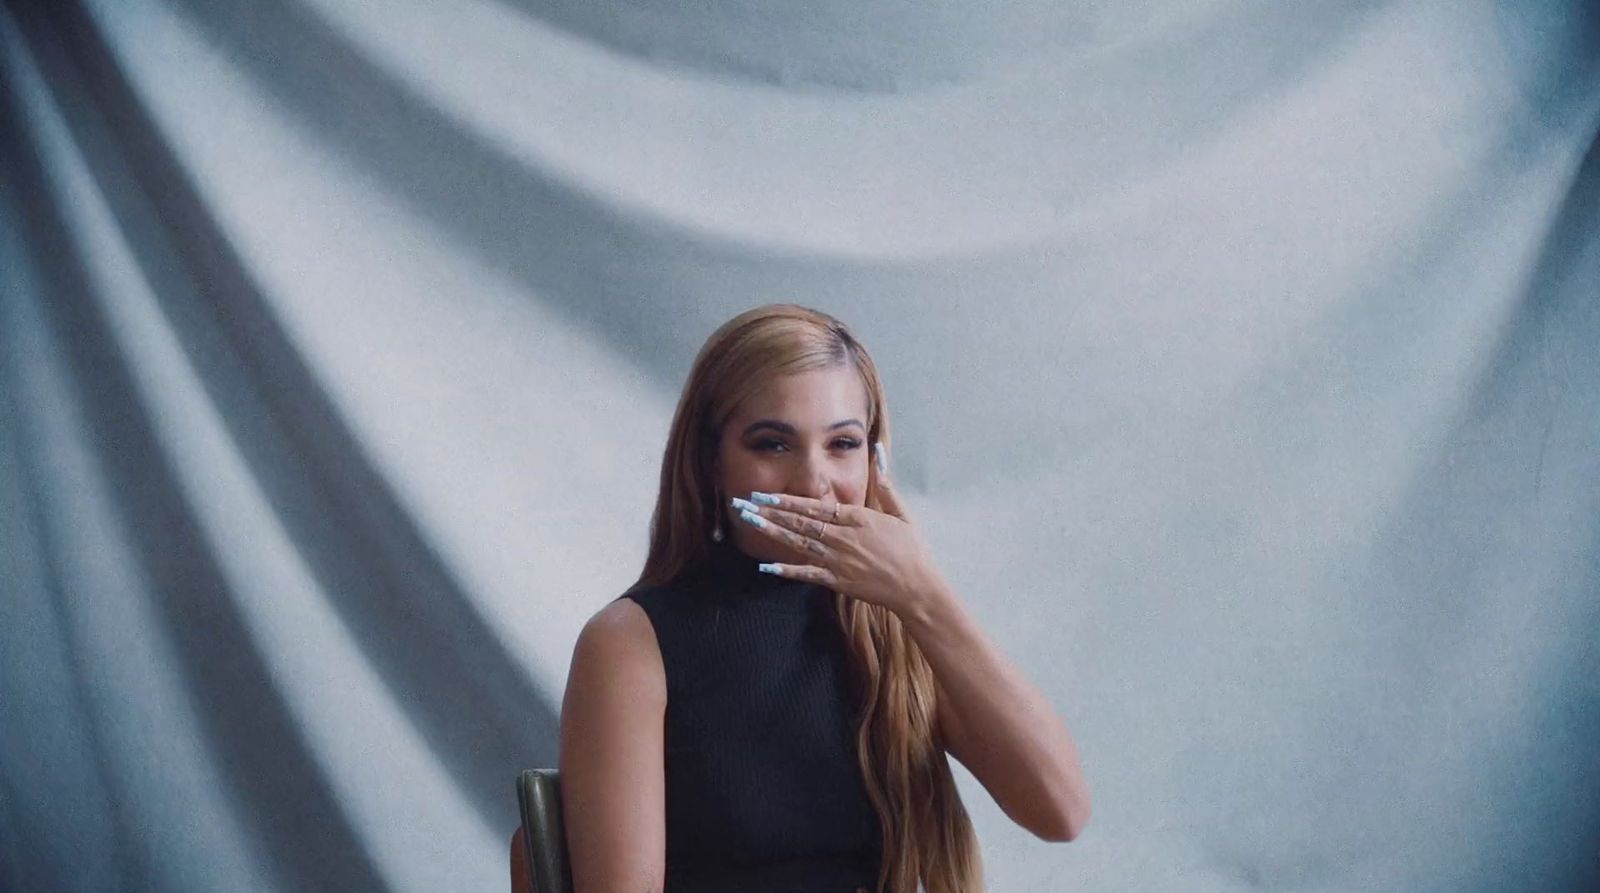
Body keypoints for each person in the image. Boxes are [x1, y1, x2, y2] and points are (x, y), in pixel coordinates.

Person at [543, 304, 1090, 893]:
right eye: (772, 444)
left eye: (843, 444)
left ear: (875, 461)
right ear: (711, 462)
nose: (813, 483)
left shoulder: (900, 624)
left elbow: (1060, 811)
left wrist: (925, 595)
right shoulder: (631, 644)